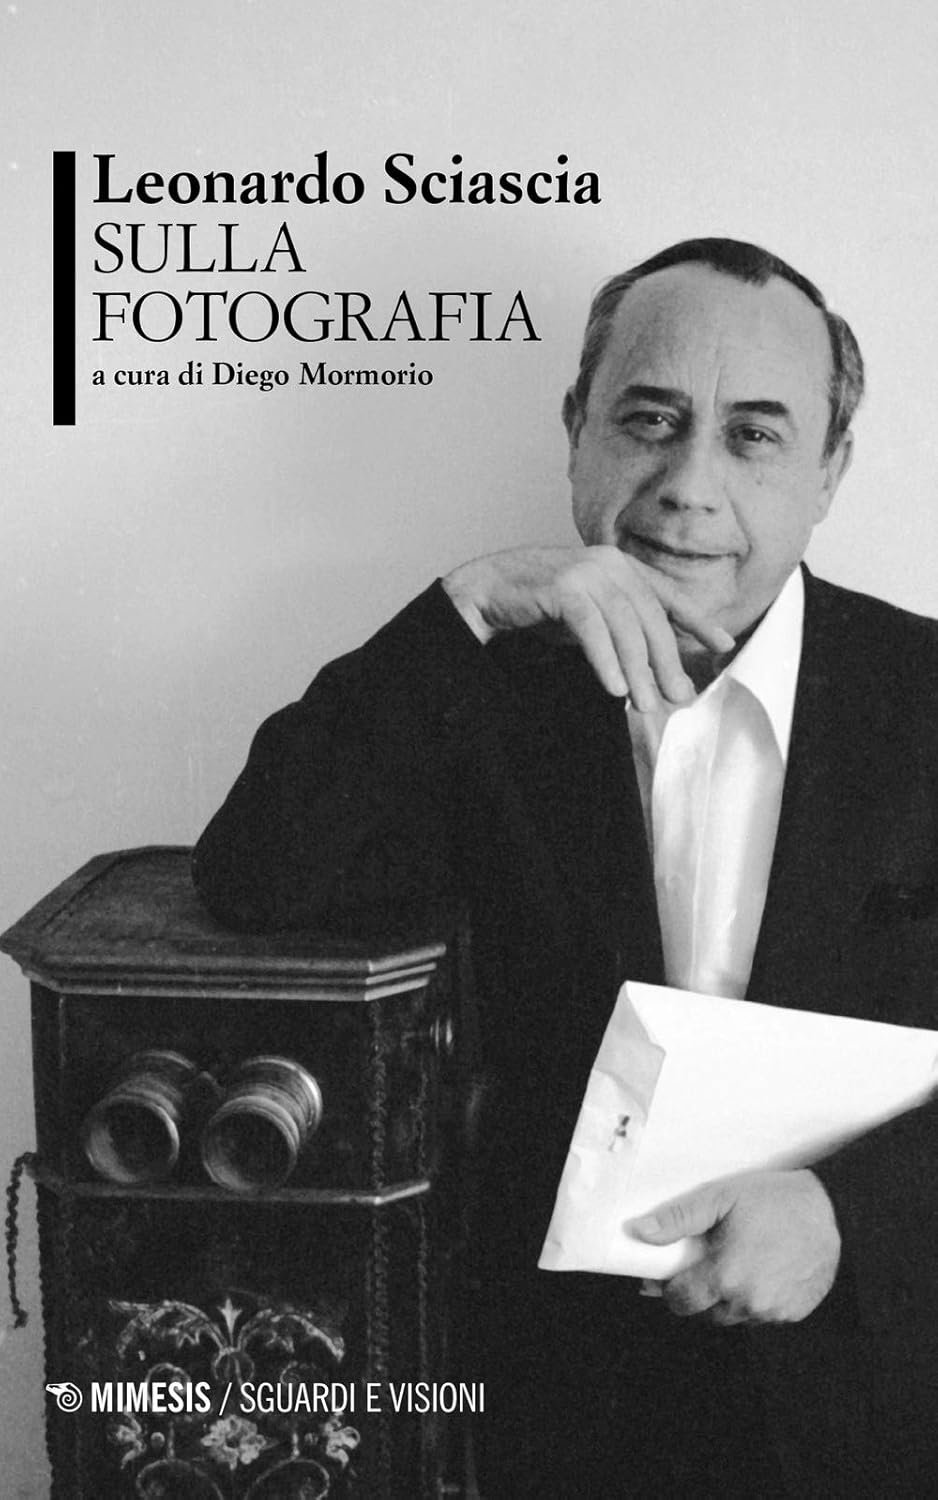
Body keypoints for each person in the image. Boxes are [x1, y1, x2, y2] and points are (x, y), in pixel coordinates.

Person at [193, 239, 938, 1497]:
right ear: (575, 431)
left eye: (752, 436)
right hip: (554, 1409)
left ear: (829, 471)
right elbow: (256, 873)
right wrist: (469, 601)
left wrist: (847, 1220)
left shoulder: (925, 699)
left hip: (880, 1404)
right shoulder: (472, 693)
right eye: (647, 421)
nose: (686, 488)